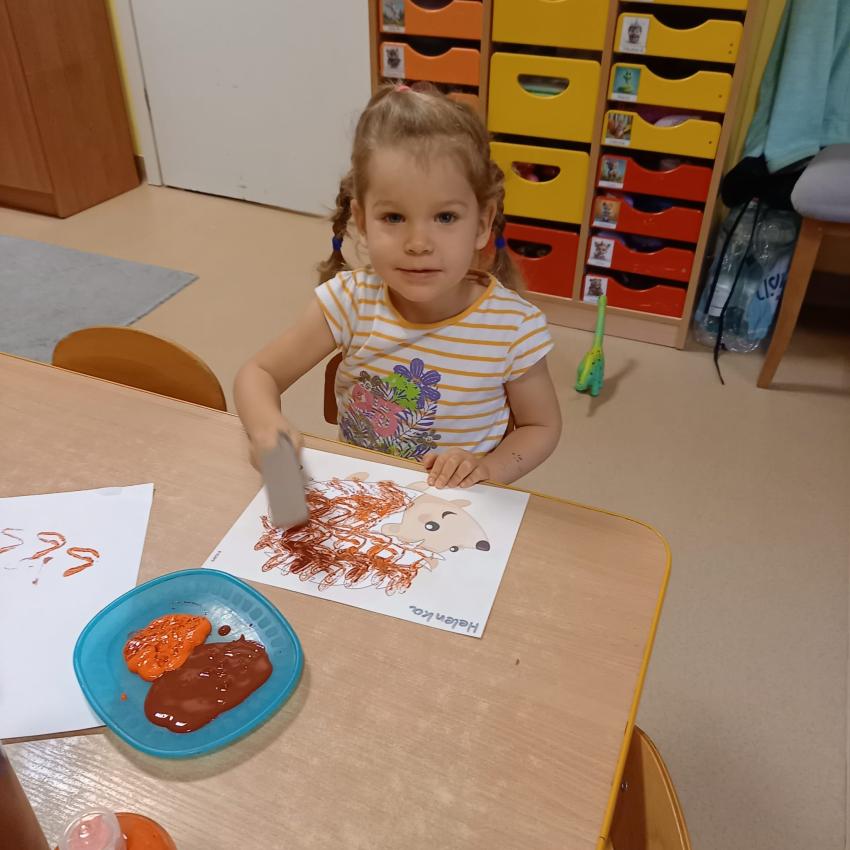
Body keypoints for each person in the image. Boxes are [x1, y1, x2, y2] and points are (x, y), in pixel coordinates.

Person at [234, 82, 561, 489]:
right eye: (393, 217)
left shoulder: (513, 329)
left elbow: (540, 426)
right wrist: (266, 427)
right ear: (362, 221)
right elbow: (259, 372)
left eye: (445, 217)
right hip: (362, 496)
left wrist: (489, 469)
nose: (418, 244)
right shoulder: (349, 301)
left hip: (457, 505)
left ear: (482, 224)